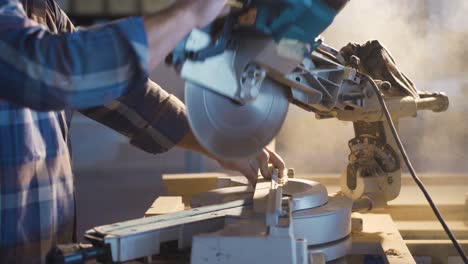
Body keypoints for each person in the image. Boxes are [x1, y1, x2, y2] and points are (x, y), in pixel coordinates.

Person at [0, 0, 285, 263]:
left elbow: (111, 90)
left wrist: (212, 139)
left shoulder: (39, 7)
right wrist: (190, 13)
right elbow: (56, 70)